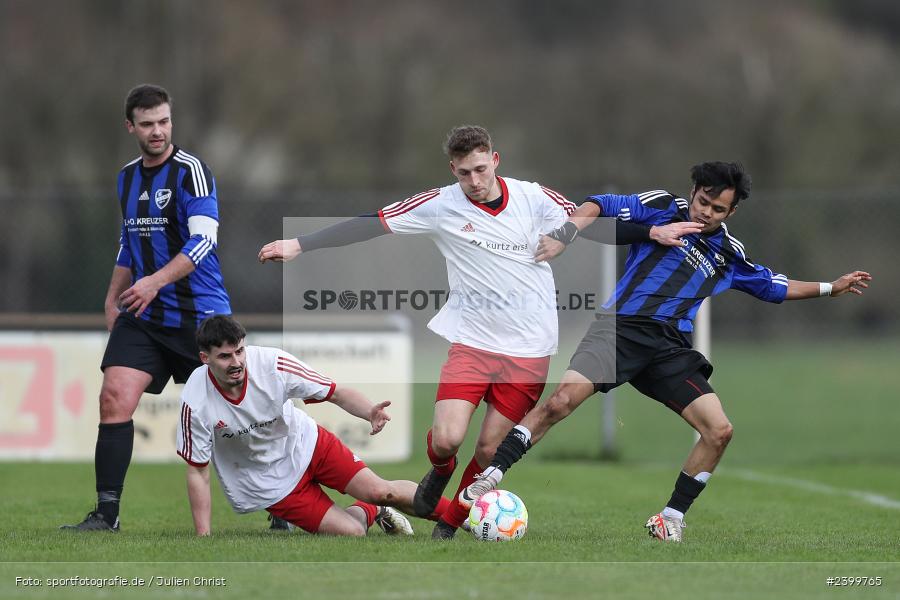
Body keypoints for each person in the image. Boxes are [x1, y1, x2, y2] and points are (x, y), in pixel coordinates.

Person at [257, 125, 700, 539]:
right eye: (465, 172)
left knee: (489, 453)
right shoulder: (439, 204)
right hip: (472, 343)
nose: (474, 180)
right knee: (447, 440)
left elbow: (593, 225)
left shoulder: (533, 197)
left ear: (496, 160)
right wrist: (300, 244)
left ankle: (448, 525)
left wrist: (650, 231)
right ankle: (441, 471)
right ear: (453, 170)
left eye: (481, 169)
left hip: (529, 350)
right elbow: (372, 223)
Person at [460, 161, 872, 542]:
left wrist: (829, 288)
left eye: (718, 208)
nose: (706, 212)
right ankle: (492, 474)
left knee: (719, 430)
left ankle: (671, 516)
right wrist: (565, 235)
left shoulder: (729, 254)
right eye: (703, 201)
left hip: (668, 349)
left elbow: (774, 287)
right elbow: (599, 204)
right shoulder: (660, 206)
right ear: (692, 191)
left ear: (731, 213)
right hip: (619, 330)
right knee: (561, 402)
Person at [62, 84, 233, 532]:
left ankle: (279, 506)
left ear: (171, 121)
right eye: (147, 124)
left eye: (164, 122)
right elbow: (129, 243)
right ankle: (106, 514)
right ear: (130, 126)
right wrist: (111, 295)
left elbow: (204, 240)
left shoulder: (192, 172)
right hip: (145, 315)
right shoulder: (126, 178)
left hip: (201, 316)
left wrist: (154, 281)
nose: (157, 131)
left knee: (235, 414)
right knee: (113, 397)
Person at [177, 315, 423, 537]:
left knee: (382, 491)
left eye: (240, 351)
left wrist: (369, 411)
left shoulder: (271, 363)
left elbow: (334, 393)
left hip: (306, 445)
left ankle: (455, 515)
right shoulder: (196, 399)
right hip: (270, 482)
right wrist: (203, 536)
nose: (236, 361)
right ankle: (372, 510)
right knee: (353, 532)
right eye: (225, 356)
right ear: (204, 358)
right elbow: (197, 469)